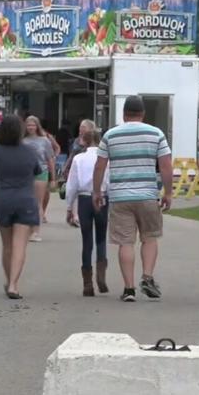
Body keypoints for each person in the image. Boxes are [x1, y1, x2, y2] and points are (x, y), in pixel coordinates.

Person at [93, 96, 173, 302]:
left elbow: (100, 166)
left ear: (124, 113)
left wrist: (96, 192)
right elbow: (165, 165)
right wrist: (168, 192)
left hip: (120, 197)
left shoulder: (110, 135)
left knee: (125, 242)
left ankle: (128, 289)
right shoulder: (156, 134)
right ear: (143, 113)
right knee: (149, 237)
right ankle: (147, 277)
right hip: (147, 195)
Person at [0, 115, 43, 300]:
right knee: (20, 245)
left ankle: (8, 279)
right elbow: (37, 171)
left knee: (7, 245)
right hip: (25, 199)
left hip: (3, 199)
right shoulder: (30, 151)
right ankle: (13, 284)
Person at [66, 129, 109, 296]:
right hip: (102, 197)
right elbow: (109, 180)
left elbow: (72, 185)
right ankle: (101, 275)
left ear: (84, 140)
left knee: (87, 240)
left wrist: (70, 207)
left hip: (84, 199)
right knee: (101, 237)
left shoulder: (78, 158)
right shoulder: (106, 158)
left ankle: (87, 283)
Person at [23, 115, 56, 241]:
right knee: (26, 203)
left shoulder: (44, 140)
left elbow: (50, 159)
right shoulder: (22, 140)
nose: (31, 127)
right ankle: (26, 229)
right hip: (25, 174)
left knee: (37, 203)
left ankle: (36, 231)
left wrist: (53, 178)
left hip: (41, 173)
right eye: (29, 125)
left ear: (37, 126)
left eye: (33, 125)